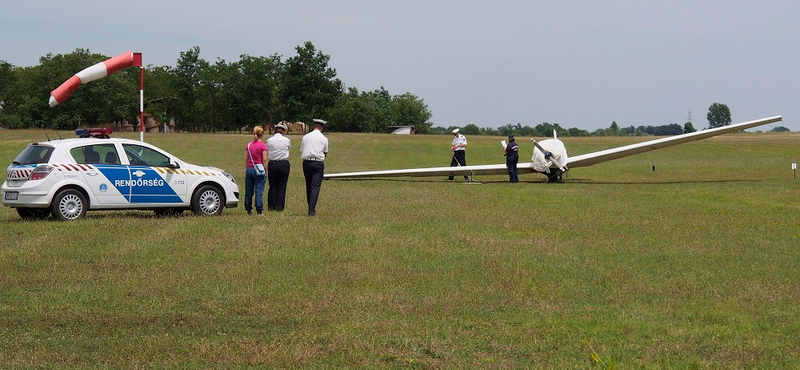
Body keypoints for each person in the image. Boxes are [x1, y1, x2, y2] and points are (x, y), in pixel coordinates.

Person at [300, 118, 329, 216]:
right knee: (315, 187)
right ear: (322, 128)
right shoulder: (324, 138)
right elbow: (325, 153)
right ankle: (311, 210)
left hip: (306, 162)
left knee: (308, 185)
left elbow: (302, 149)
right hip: (317, 163)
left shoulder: (306, 137)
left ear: (314, 126)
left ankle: (310, 206)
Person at [267, 122, 292, 211]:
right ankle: (280, 206)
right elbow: (288, 148)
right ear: (283, 131)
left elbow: (268, 149)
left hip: (272, 163)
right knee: (282, 185)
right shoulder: (287, 140)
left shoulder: (269, 140)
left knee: (273, 185)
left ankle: (271, 206)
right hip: (283, 163)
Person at [244, 126, 268, 215]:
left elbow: (246, 158)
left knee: (249, 191)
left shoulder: (249, 145)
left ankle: (248, 208)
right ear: (261, 134)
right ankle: (259, 210)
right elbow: (265, 160)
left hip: (249, 169)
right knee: (259, 190)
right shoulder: (263, 145)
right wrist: (266, 170)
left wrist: (247, 168)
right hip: (259, 169)